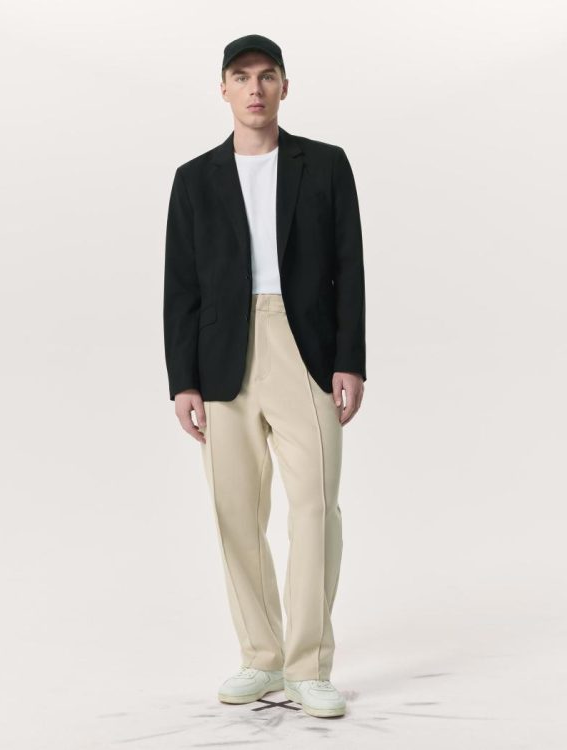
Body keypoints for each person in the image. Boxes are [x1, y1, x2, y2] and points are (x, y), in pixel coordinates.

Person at [163, 34, 366, 719]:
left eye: (268, 75)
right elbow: (181, 285)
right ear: (223, 88)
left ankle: (309, 666)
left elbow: (350, 266)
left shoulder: (326, 164)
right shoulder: (194, 178)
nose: (255, 88)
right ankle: (262, 654)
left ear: (284, 86)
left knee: (315, 509)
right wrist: (183, 380)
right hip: (223, 355)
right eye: (242, 76)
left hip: (305, 349)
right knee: (235, 513)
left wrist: (349, 358)